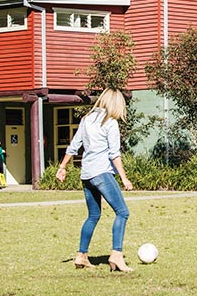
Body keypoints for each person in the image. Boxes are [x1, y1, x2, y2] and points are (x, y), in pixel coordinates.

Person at [56, 89, 134, 272]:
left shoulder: (86, 119)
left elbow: (74, 145)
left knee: (93, 215)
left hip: (87, 175)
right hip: (102, 174)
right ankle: (116, 255)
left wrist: (62, 167)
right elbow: (115, 154)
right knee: (122, 212)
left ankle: (81, 256)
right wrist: (124, 178)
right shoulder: (111, 123)